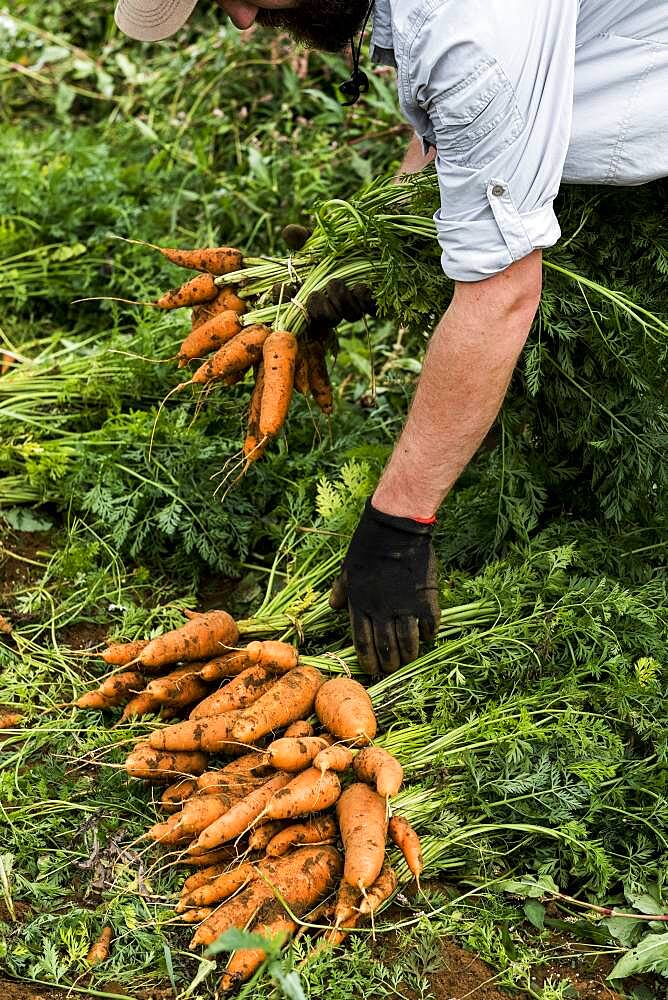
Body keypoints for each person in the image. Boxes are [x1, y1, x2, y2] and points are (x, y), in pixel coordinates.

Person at [115, 0, 668, 674]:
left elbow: (502, 294)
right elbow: (451, 134)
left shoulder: (470, 29)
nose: (241, 18)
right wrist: (359, 259)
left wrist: (399, 524)